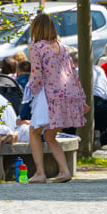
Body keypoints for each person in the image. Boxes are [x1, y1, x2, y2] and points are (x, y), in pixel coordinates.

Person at [26, 13, 87, 183]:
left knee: (33, 131)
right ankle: (64, 170)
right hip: (66, 95)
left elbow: (37, 77)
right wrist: (81, 99)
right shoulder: (62, 47)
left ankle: (40, 173)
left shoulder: (37, 48)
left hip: (48, 96)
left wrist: (29, 90)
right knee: (50, 135)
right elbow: (72, 73)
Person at [70, 49, 107, 150]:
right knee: (100, 131)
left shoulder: (76, 71)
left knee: (71, 129)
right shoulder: (99, 70)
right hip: (106, 104)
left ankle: (81, 141)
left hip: (89, 102)